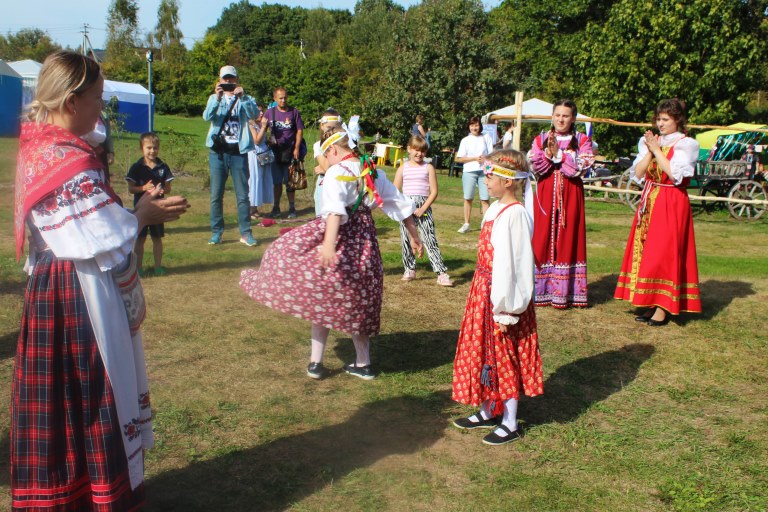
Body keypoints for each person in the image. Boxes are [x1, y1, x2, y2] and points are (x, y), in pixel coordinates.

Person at [11, 50, 190, 511]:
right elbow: (102, 235)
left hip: (54, 288)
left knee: (61, 399)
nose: (101, 107)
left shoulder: (38, 146)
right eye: (97, 97)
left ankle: (70, 493)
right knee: (92, 393)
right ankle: (93, 493)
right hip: (79, 291)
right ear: (72, 101)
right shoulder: (64, 158)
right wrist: (142, 215)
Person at [240, 126, 423, 381]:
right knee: (358, 298)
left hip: (340, 238)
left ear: (334, 150)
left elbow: (335, 211)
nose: (327, 161)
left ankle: (317, 363)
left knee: (321, 295)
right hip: (364, 243)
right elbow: (400, 204)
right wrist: (415, 236)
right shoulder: (372, 171)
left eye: (327, 156)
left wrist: (327, 245)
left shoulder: (337, 172)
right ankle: (363, 363)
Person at [451, 149, 543, 445]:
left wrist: (507, 311)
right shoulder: (494, 209)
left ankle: (511, 421)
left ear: (508, 181)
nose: (486, 179)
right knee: (484, 351)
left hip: (502, 296)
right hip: (485, 290)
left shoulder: (515, 214)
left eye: (490, 174)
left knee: (504, 354)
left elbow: (514, 265)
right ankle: (490, 407)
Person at [614, 98, 702, 325]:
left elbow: (676, 175)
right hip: (651, 199)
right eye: (658, 119)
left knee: (665, 252)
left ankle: (664, 306)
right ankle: (651, 301)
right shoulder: (651, 142)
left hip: (671, 201)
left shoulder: (687, 144)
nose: (660, 124)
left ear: (677, 120)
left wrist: (657, 150)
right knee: (648, 252)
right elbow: (639, 173)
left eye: (665, 119)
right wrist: (650, 150)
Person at [528, 99, 594, 308]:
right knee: (542, 236)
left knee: (567, 236)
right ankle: (542, 290)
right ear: (552, 116)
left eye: (565, 115)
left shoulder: (582, 140)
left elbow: (580, 167)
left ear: (573, 118)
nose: (561, 119)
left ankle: (565, 293)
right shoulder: (541, 138)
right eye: (557, 115)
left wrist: (559, 155)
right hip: (546, 192)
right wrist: (550, 154)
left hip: (571, 194)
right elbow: (535, 165)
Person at [203, 64, 259, 247]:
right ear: (220, 80)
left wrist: (242, 97)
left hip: (238, 151)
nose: (228, 82)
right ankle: (216, 232)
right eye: (225, 79)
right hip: (218, 152)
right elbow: (207, 117)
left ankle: (245, 233)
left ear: (236, 80)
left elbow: (255, 115)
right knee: (216, 194)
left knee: (243, 195)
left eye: (231, 79)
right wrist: (217, 98)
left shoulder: (245, 98)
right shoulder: (214, 98)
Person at [394, 135, 453, 286]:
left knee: (429, 239)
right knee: (406, 239)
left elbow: (434, 191)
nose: (419, 154)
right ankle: (409, 269)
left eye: (422, 151)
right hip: (406, 208)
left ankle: (441, 272)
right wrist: (402, 207)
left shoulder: (428, 167)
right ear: (409, 149)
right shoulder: (402, 168)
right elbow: (394, 191)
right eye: (416, 150)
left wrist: (423, 208)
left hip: (424, 207)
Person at [126, 132, 174, 277]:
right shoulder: (136, 167)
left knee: (157, 238)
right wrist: (142, 188)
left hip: (158, 208)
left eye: (155, 148)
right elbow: (131, 189)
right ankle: (138, 268)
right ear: (142, 149)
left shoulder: (163, 167)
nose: (152, 151)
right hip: (141, 209)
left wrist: (162, 190)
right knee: (140, 239)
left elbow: (168, 188)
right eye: (149, 148)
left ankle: (157, 267)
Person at [264, 87, 305, 219]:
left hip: (290, 151)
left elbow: (299, 131)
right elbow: (262, 129)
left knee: (290, 181)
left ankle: (292, 207)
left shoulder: (294, 112)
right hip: (275, 151)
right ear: (274, 99)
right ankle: (276, 207)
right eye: (280, 98)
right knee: (276, 182)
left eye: (285, 97)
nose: (283, 100)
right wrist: (266, 141)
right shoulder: (269, 113)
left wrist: (297, 148)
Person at [455, 116, 494, 233]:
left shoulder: (486, 137)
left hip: (484, 170)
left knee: (485, 198)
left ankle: (485, 224)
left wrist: (485, 158)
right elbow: (459, 158)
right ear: (469, 127)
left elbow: (492, 155)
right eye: (472, 125)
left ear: (480, 126)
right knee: (468, 198)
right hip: (469, 171)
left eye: (476, 125)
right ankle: (466, 223)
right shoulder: (465, 140)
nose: (474, 128)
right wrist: (473, 158)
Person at [312, 108, 344, 216]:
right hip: (324, 184)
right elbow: (326, 166)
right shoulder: (318, 145)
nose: (331, 131)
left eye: (335, 128)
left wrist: (325, 169)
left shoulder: (344, 145)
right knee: (322, 215)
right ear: (322, 126)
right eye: (328, 128)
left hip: (339, 183)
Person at [247, 108, 274, 219]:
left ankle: (255, 208)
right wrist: (263, 127)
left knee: (262, 180)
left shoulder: (259, 124)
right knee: (254, 179)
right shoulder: (250, 124)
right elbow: (256, 140)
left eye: (262, 111)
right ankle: (250, 209)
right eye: (259, 111)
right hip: (254, 154)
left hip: (264, 153)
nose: (262, 113)